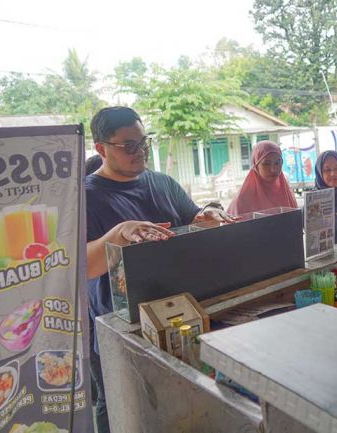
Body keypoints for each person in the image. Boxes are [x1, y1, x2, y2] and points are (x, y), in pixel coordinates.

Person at [85, 106, 232, 433]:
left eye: (143, 142)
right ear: (101, 149)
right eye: (129, 146)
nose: (140, 152)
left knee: (172, 405)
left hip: (176, 315)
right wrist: (118, 233)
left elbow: (191, 221)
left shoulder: (163, 183)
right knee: (119, 406)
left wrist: (206, 219)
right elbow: (77, 267)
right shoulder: (86, 196)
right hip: (121, 326)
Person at [227, 140, 298, 214]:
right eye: (266, 164)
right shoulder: (243, 199)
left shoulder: (285, 191)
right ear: (256, 165)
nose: (273, 169)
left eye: (277, 162)